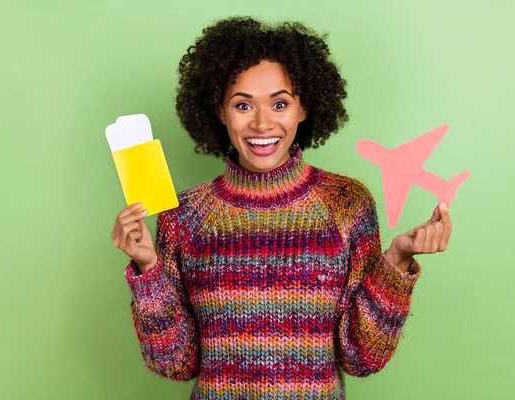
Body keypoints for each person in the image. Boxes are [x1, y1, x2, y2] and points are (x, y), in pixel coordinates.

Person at [110, 16, 452, 400]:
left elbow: (361, 358)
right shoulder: (184, 216)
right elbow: (175, 364)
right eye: (242, 105)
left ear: (304, 108)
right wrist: (148, 270)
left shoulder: (346, 204)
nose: (261, 123)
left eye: (279, 103)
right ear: (219, 111)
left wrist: (398, 259)